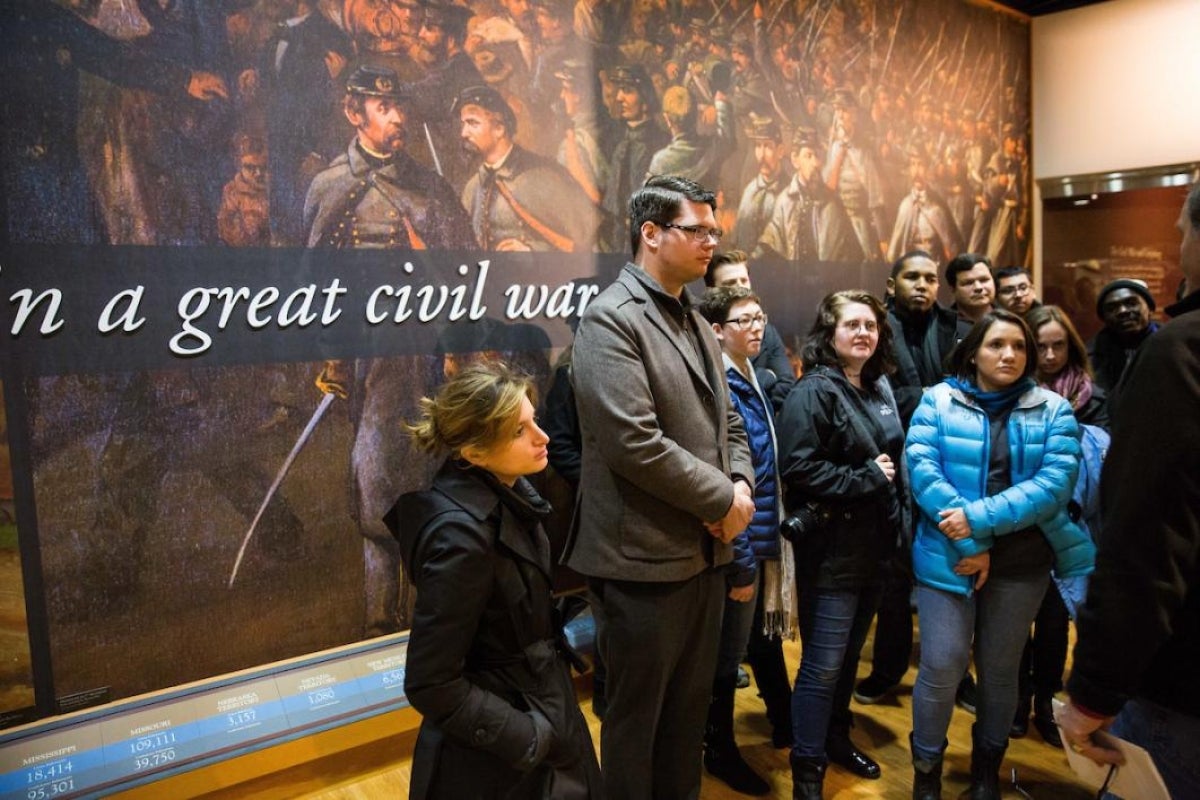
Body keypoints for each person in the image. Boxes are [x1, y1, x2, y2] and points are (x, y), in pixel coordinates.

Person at [563, 175, 755, 800]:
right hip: (640, 562)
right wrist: (723, 500)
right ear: (651, 233)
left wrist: (741, 488)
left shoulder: (697, 320)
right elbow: (632, 442)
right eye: (697, 230)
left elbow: (730, 420)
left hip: (704, 556)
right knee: (635, 730)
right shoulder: (610, 319)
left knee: (685, 724)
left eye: (714, 230)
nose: (711, 242)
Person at [385, 361, 601, 800]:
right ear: (474, 452)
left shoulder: (512, 495)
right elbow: (430, 682)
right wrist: (528, 736)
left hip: (542, 702)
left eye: (533, 419)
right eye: (519, 430)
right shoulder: (461, 538)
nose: (541, 436)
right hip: (502, 752)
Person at [906, 308, 1095, 800]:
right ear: (972, 352)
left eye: (1019, 346)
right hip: (949, 554)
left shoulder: (1054, 409)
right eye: (995, 345)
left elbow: (1053, 487)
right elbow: (923, 474)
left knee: (999, 670)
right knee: (943, 664)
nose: (1009, 354)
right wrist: (973, 543)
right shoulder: (937, 401)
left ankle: (986, 770)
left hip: (1021, 562)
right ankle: (926, 774)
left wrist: (980, 523)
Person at [1057, 183, 1200, 800]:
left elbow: (1149, 538)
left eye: (1184, 229)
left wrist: (1093, 689)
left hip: (1184, 681)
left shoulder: (1181, 353)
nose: (1179, 241)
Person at [775, 290, 908, 798]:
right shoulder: (814, 390)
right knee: (822, 666)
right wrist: (865, 479)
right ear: (829, 334)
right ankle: (807, 770)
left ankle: (835, 740)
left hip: (876, 551)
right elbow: (799, 467)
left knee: (849, 660)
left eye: (871, 326)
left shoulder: (877, 386)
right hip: (832, 555)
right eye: (851, 325)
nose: (863, 334)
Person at [853, 251, 970, 708]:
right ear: (892, 282)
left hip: (952, 464)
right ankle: (887, 670)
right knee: (894, 580)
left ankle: (959, 676)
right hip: (892, 460)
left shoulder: (956, 326)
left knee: (955, 574)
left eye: (930, 278)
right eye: (912, 277)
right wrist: (925, 396)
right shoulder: (874, 328)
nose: (923, 284)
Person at [698, 285, 797, 795]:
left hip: (757, 541)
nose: (757, 328)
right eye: (744, 321)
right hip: (738, 545)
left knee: (743, 646)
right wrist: (740, 562)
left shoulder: (753, 373)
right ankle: (719, 749)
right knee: (725, 654)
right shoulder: (720, 383)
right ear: (716, 330)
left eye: (760, 318)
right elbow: (728, 482)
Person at [1005, 304, 1109, 747]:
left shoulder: (1093, 397)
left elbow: (1101, 467)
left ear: (1072, 346)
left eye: (1057, 345)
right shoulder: (1012, 392)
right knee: (1012, 626)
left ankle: (1045, 702)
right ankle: (1015, 701)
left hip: (1070, 526)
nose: (1049, 355)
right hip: (1021, 522)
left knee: (1053, 625)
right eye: (1040, 345)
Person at [303, 64, 476, 249]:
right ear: (354, 115)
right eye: (383, 109)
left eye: (399, 108)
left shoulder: (433, 186)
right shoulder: (327, 184)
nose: (398, 119)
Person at [455, 85, 597, 252]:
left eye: (473, 123)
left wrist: (532, 252)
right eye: (463, 124)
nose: (464, 133)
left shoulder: (545, 176)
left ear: (499, 129)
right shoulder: (472, 188)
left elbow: (591, 247)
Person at [705, 251, 796, 410]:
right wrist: (767, 376)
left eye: (744, 280)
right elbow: (714, 391)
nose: (740, 287)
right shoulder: (700, 331)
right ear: (712, 289)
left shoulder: (767, 331)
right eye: (730, 283)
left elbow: (787, 386)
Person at [1086, 278, 1159, 392]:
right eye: (1112, 308)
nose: (1122, 311)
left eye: (1131, 303)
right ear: (1104, 318)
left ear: (1149, 308)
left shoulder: (1172, 344)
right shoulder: (1092, 355)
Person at [945, 253, 996, 325]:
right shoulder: (942, 327)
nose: (978, 287)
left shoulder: (1010, 319)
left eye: (984, 280)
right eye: (968, 283)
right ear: (952, 289)